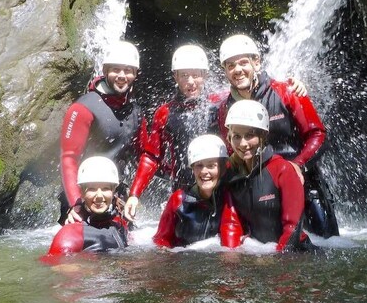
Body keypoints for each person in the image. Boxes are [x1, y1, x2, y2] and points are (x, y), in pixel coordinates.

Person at [216, 34, 339, 237]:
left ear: (256, 62)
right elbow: (233, 152)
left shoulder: (287, 91)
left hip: (304, 186)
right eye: (230, 65)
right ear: (225, 71)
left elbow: (318, 134)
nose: (237, 70)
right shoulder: (224, 109)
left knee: (325, 251)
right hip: (259, 194)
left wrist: (297, 165)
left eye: (243, 62)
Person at [125, 45, 225, 221]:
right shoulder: (165, 113)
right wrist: (134, 194)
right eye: (184, 75)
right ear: (175, 77)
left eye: (196, 75)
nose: (191, 81)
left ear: (205, 75)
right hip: (183, 193)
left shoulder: (220, 104)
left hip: (220, 190)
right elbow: (152, 157)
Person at [59, 40, 147, 225]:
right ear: (105, 71)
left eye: (128, 70)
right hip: (84, 196)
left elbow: (144, 155)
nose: (122, 75)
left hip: (115, 195)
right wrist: (76, 204)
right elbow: (68, 158)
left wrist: (134, 194)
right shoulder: (83, 108)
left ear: (136, 74)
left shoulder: (135, 110)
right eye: (115, 69)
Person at [225, 100, 316, 252]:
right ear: (228, 138)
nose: (243, 143)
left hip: (296, 254)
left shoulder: (283, 170)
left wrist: (276, 263)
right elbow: (232, 224)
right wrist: (231, 259)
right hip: (259, 253)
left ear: (263, 135)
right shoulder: (230, 173)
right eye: (236, 136)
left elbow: (293, 228)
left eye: (250, 135)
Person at [153, 134, 243, 248]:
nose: (204, 171)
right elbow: (161, 240)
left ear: (222, 169)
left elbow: (231, 244)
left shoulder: (228, 198)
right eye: (199, 165)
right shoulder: (178, 200)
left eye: (211, 166)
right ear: (193, 168)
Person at [46, 156, 129, 256]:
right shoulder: (70, 234)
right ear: (81, 192)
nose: (99, 196)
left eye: (105, 188)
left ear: (113, 191)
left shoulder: (120, 224)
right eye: (92, 189)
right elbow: (57, 267)